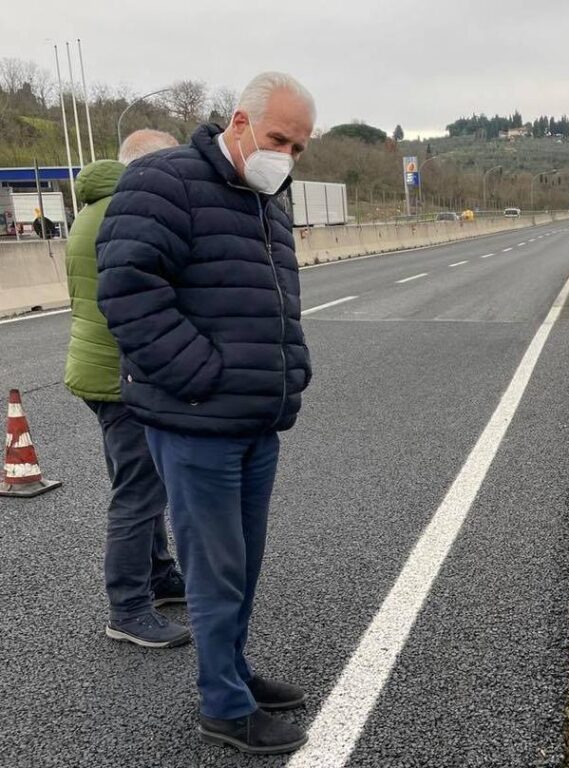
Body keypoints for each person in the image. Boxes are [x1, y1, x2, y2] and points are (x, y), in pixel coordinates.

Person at [96, 72, 315, 755]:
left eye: (301, 147)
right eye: (281, 138)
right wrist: (203, 376)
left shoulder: (267, 196)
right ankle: (222, 704)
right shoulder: (165, 182)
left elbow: (269, 300)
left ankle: (235, 671)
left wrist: (287, 372)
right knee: (214, 566)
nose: (288, 156)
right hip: (196, 423)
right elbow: (128, 291)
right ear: (241, 125)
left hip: (255, 420)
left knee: (242, 563)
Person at [64, 129, 190, 649]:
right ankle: (128, 607)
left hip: (99, 369)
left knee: (140, 481)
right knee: (138, 493)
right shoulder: (130, 213)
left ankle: (158, 577)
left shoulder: (93, 210)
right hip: (124, 374)